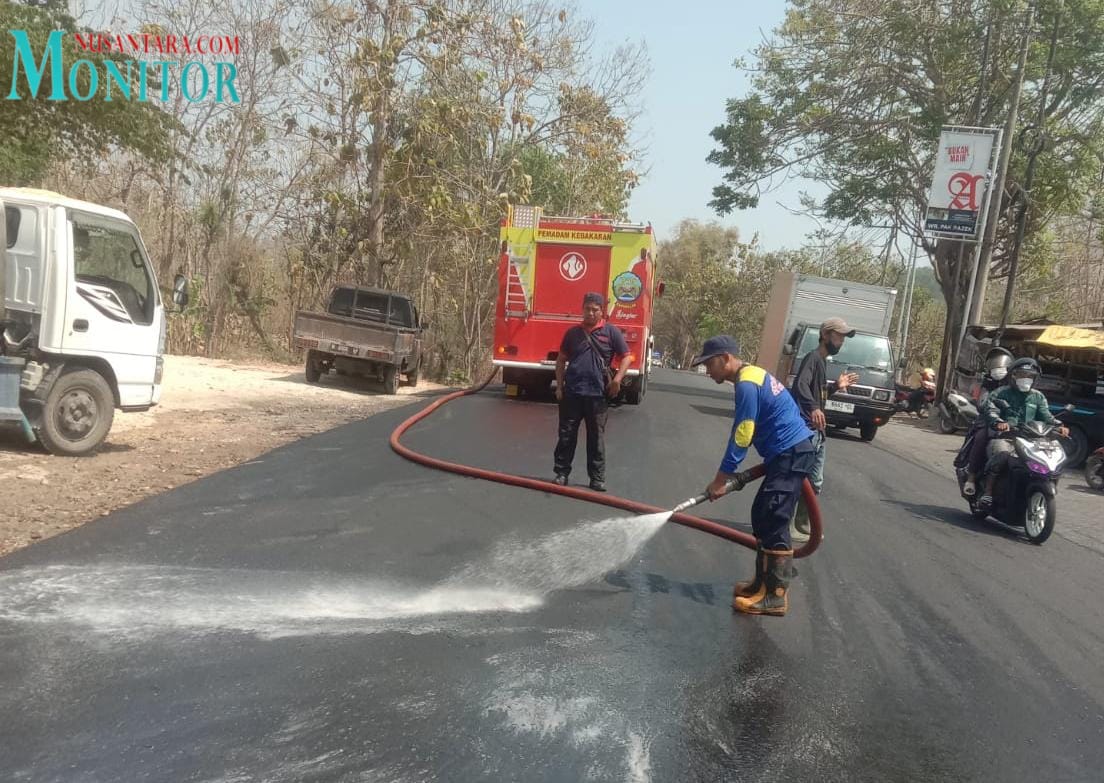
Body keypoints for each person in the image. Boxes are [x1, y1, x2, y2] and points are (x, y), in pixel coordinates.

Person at [691, 335, 817, 617]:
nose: (707, 370)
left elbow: (743, 433)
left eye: (709, 364)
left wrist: (721, 480)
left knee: (774, 517)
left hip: (791, 453)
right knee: (762, 514)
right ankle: (761, 584)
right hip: (785, 454)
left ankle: (775, 596)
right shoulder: (752, 375)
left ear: (725, 358)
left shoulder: (747, 384)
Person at [787, 318, 860, 542]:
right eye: (838, 337)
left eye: (843, 339)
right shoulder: (813, 358)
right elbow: (800, 387)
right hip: (807, 430)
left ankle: (801, 522)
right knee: (798, 479)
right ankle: (788, 524)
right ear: (826, 335)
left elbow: (818, 393)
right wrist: (815, 409)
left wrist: (837, 386)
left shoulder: (822, 361)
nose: (841, 342)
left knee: (814, 481)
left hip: (818, 432)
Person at [553, 292, 632, 492]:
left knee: (596, 438)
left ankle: (596, 478)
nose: (590, 313)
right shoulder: (572, 333)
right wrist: (560, 387)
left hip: (597, 396)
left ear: (601, 311)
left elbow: (626, 357)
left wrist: (617, 380)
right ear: (582, 309)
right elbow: (561, 360)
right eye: (587, 309)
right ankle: (561, 473)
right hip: (572, 393)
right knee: (566, 435)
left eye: (594, 310)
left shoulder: (611, 332)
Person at [978, 357, 1068, 508]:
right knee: (1002, 455)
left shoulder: (1038, 397)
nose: (1025, 379)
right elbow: (990, 409)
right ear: (1013, 375)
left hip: (1032, 440)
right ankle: (988, 493)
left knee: (1053, 461)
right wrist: (999, 422)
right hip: (1007, 437)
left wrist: (1059, 426)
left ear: (1035, 379)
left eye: (1030, 376)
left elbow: (1047, 416)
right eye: (1021, 375)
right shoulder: (1001, 393)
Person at [961, 347, 1014, 497]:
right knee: (981, 437)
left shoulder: (1014, 383)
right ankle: (971, 477)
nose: (998, 369)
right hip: (988, 420)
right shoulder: (988, 383)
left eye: (1001, 365)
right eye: (994, 365)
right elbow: (983, 401)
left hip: (1012, 422)